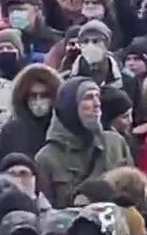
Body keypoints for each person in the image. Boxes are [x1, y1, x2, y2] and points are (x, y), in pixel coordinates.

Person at [33, 76, 133, 206]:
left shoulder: (115, 143)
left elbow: (135, 191)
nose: (97, 103)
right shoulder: (47, 158)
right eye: (88, 98)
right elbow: (46, 211)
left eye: (98, 96)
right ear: (70, 106)